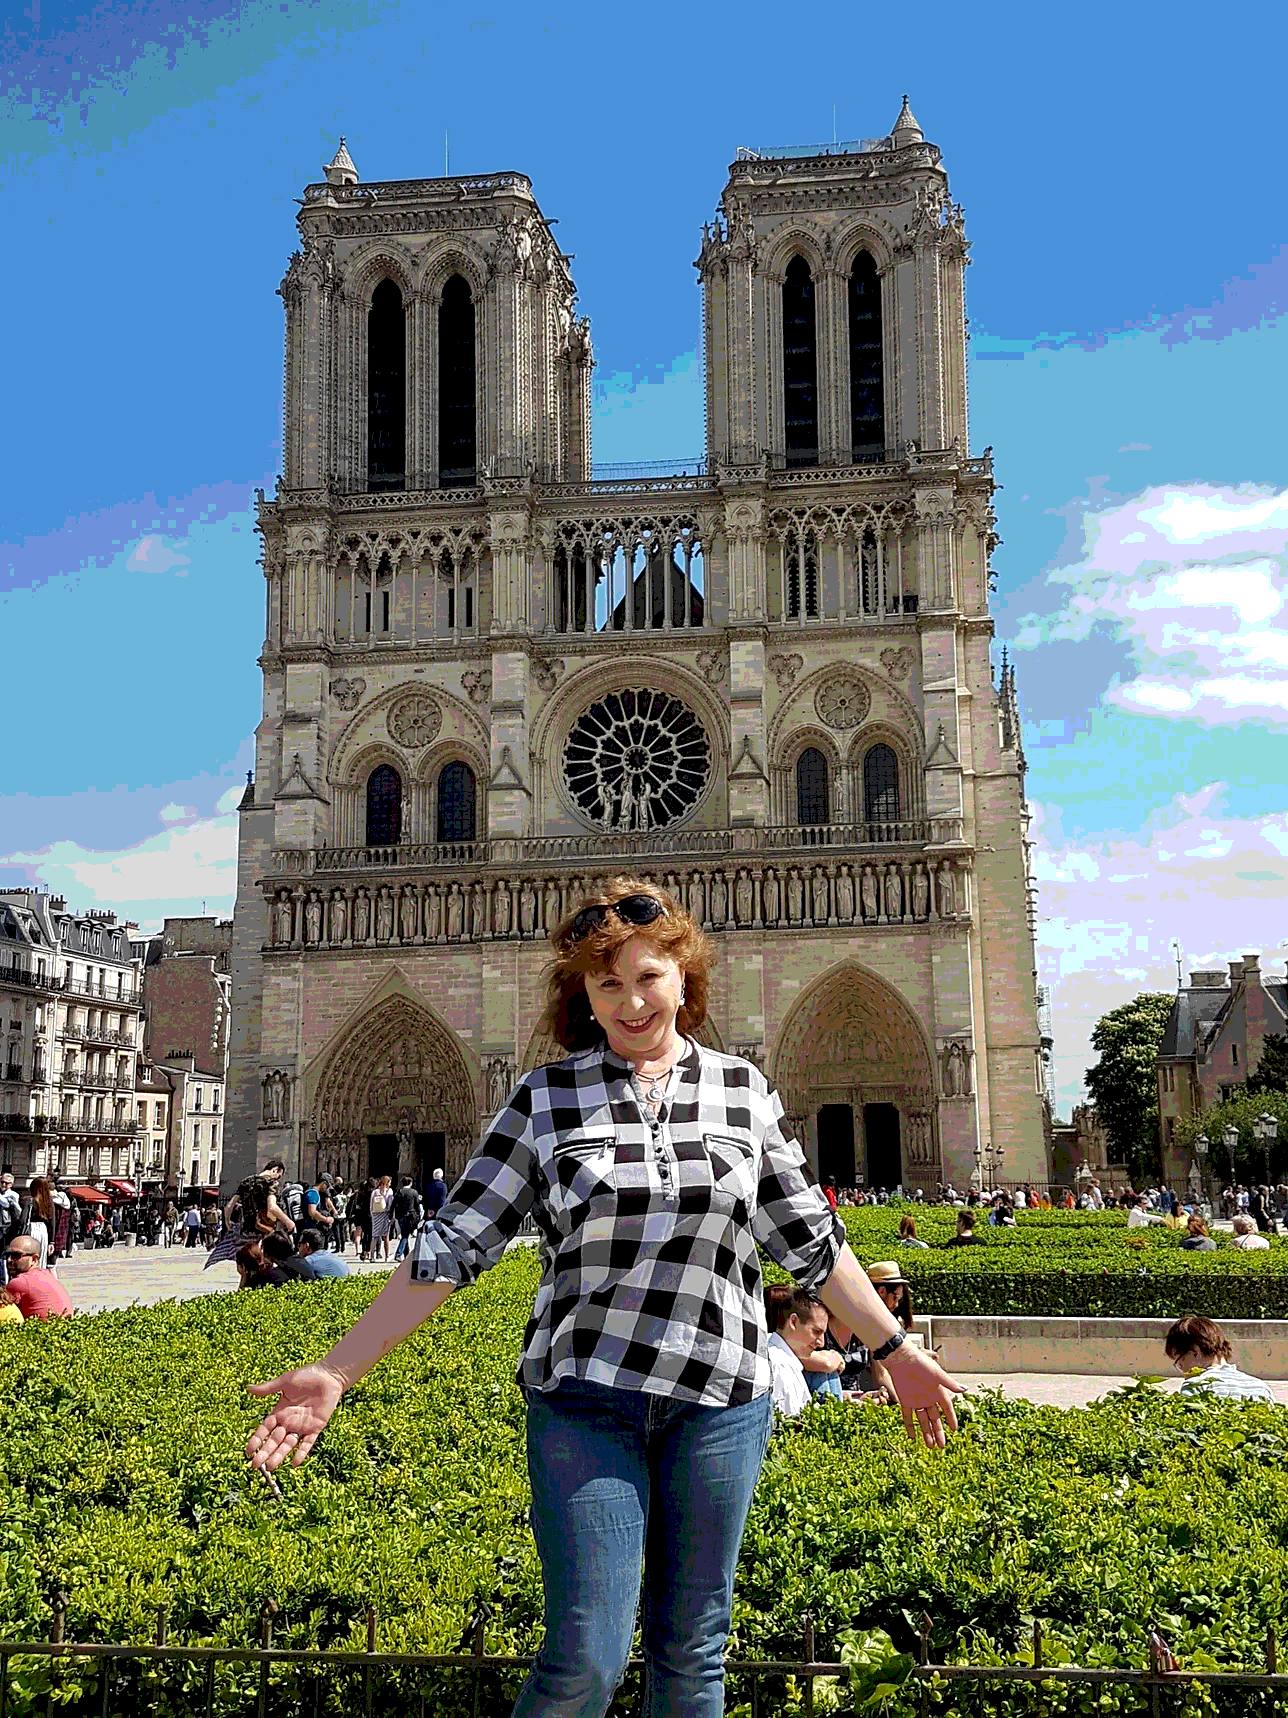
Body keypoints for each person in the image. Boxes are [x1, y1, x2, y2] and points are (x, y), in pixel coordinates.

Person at [246, 876, 961, 1718]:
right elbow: (454, 1245)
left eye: (648, 977)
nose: (631, 1001)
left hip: (719, 1401)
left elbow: (811, 1241)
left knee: (693, 1653)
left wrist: (893, 1349)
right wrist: (338, 1370)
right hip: (588, 1399)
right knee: (586, 1654)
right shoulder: (545, 1098)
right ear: (581, 992)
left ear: (684, 978)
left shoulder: (742, 1090)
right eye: (607, 982)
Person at [206, 1158, 294, 1269]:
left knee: (248, 1265)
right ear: (275, 1170)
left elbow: (229, 1206)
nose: (277, 1179)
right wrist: (288, 1222)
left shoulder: (246, 1181)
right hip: (264, 1231)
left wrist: (228, 1222)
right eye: (279, 1176)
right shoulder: (270, 1183)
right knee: (265, 1264)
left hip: (246, 1232)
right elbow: (272, 1207)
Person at [1164, 1315, 1275, 1402]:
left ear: (1195, 1352)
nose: (1183, 1371)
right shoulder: (1262, 1388)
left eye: (1179, 1363)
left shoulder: (1196, 1386)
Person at [768, 1287, 828, 1416]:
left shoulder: (774, 1351)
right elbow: (791, 1423)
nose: (821, 1343)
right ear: (793, 1322)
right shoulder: (781, 1365)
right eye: (816, 1331)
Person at [3, 1235, 73, 1319]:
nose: (9, 1260)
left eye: (16, 1255)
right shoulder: (46, 1274)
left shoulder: (19, 1283)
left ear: (34, 1259)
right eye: (7, 1255)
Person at [393, 1175, 424, 1262]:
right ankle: (399, 1253)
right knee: (405, 1235)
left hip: (400, 1216)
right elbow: (417, 1204)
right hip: (410, 1216)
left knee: (404, 1234)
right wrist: (419, 1215)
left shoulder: (399, 1192)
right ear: (410, 1183)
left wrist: (391, 1216)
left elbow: (393, 1204)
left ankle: (406, 1254)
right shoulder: (414, 1192)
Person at [367, 1174, 394, 1261]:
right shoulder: (389, 1191)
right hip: (385, 1214)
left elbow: (371, 1205)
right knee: (385, 1236)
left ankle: (372, 1256)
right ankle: (387, 1256)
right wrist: (392, 1216)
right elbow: (390, 1204)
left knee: (374, 1236)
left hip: (376, 1215)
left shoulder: (375, 1192)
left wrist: (372, 1214)